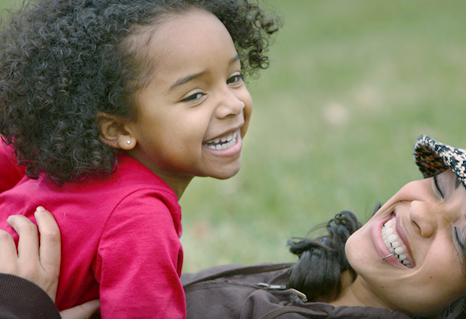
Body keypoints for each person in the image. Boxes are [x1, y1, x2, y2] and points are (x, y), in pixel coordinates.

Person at [2, 135, 466, 318]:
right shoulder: (322, 287)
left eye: (462, 236)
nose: (422, 212)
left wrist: (21, 300)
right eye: (443, 187)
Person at [0, 0, 277, 317]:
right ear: (117, 128)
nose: (232, 104)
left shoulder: (53, 156)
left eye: (233, 78)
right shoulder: (139, 219)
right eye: (194, 95)